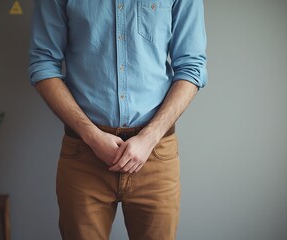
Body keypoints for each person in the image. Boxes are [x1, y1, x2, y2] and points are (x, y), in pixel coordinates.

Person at [28, 0, 207, 239]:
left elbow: (192, 66)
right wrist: (91, 136)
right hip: (84, 155)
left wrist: (149, 138)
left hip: (155, 155)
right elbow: (43, 64)